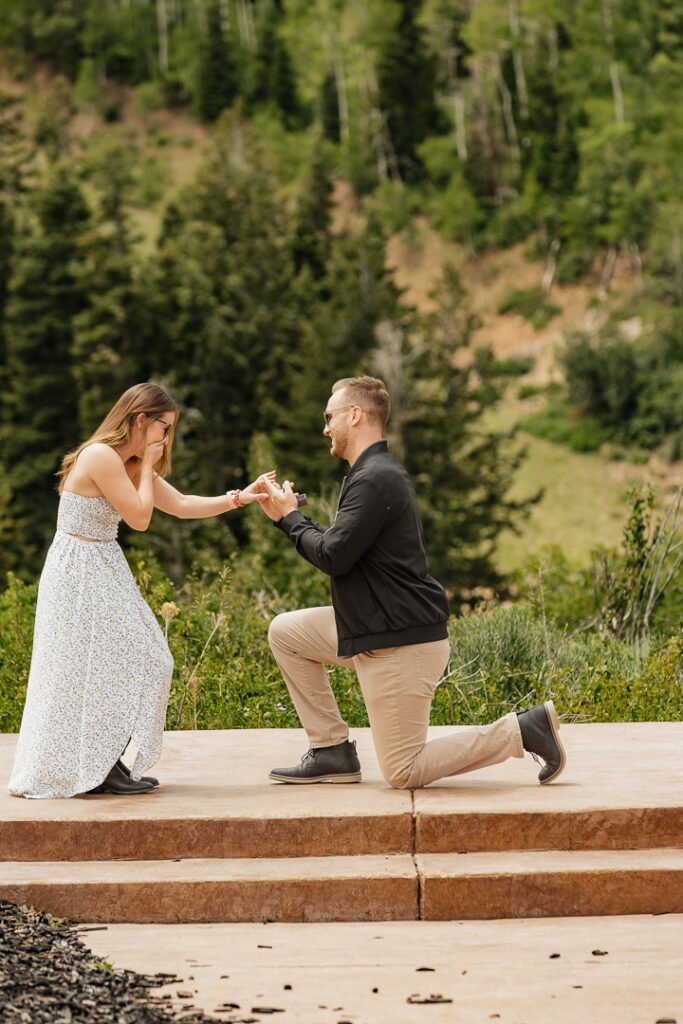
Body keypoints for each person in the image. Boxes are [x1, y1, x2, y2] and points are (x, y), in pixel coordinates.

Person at [257, 375, 566, 789]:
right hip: (372, 626)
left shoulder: (374, 479)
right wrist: (291, 515)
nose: (325, 428)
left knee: (404, 771)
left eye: (330, 417)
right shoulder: (368, 475)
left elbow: (333, 556)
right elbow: (338, 548)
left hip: (400, 641)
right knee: (287, 633)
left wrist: (288, 518)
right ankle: (331, 750)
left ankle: (523, 730)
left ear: (355, 415)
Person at [8, 382, 270, 799]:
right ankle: (100, 766)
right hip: (78, 567)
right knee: (91, 667)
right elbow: (140, 518)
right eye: (163, 427)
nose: (166, 438)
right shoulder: (101, 456)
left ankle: (104, 762)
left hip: (103, 563)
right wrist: (147, 467)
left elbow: (182, 504)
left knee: (145, 659)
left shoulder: (129, 462)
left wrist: (240, 498)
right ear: (140, 419)